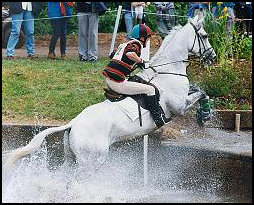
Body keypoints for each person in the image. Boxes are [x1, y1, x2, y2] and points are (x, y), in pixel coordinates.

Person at [102, 24, 168, 128]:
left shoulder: (124, 44)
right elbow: (129, 54)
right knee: (150, 90)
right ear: (142, 37)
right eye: (148, 37)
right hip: (117, 82)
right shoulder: (136, 44)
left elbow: (113, 55)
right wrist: (141, 61)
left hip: (110, 79)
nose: (148, 40)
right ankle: (158, 119)